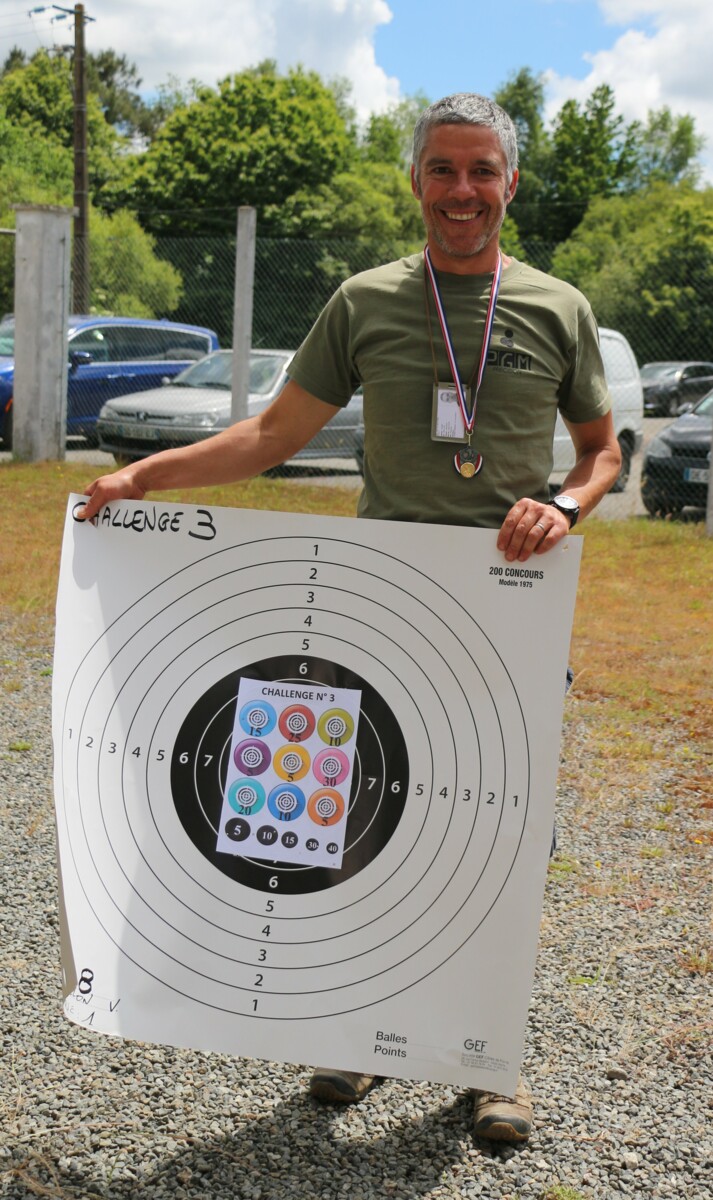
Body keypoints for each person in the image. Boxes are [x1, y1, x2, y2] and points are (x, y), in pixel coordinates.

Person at [78, 93, 621, 1145]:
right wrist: (144, 475)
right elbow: (273, 435)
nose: (461, 191)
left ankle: (486, 1062)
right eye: (442, 169)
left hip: (508, 617)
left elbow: (602, 452)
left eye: (481, 171)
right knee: (363, 825)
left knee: (499, 838)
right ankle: (367, 1035)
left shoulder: (557, 308)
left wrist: (561, 505)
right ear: (414, 180)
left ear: (509, 184)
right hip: (381, 613)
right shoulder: (363, 300)